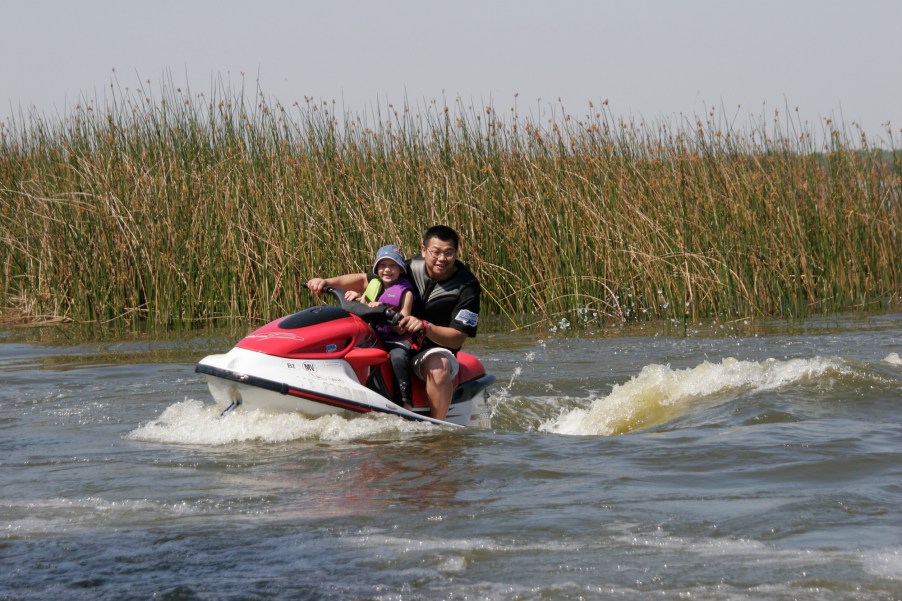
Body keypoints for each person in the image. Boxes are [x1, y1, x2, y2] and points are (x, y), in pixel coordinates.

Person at [305, 225, 480, 421]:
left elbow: (457, 339)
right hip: (391, 337)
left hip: (430, 348)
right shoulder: (410, 267)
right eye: (435, 252)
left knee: (438, 366)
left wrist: (425, 326)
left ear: (456, 253)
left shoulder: (467, 288)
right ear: (423, 250)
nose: (442, 259)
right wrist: (326, 282)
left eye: (449, 253)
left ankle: (437, 431)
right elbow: (366, 280)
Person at [346, 244, 415, 408]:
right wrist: (357, 298)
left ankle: (406, 403)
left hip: (397, 341)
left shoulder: (406, 293)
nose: (387, 270)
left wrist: (385, 310)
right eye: (382, 265)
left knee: (398, 357)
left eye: (392, 265)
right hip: (374, 337)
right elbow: (363, 307)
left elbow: (402, 327)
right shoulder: (375, 287)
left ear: (400, 270)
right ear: (377, 269)